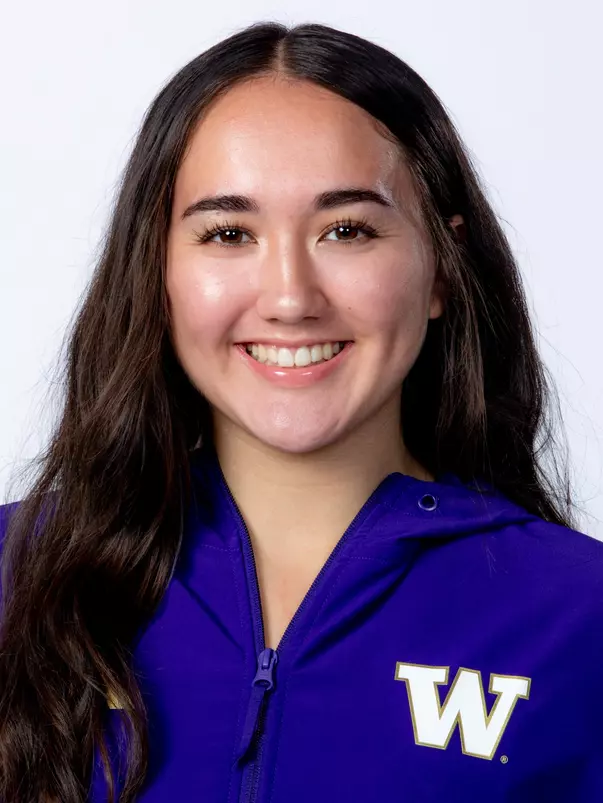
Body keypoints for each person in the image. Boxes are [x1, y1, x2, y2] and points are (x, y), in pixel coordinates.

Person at [1, 19, 602, 803]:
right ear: (158, 274)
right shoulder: (16, 573)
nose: (290, 298)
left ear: (439, 272)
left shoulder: (579, 617)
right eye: (228, 233)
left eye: (346, 230)